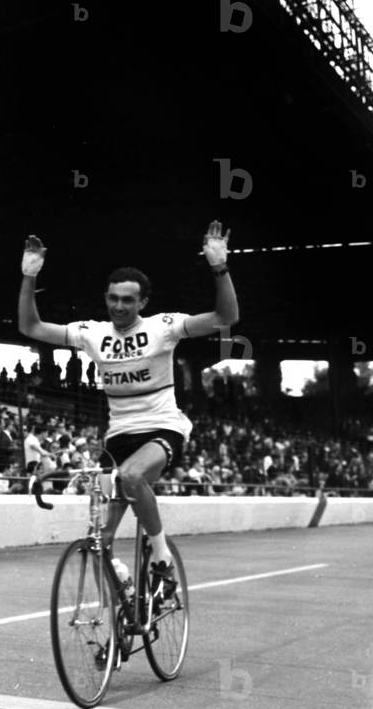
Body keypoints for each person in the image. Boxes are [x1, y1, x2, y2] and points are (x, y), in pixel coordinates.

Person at [18, 220, 239, 598]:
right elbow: (31, 327)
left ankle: (162, 558)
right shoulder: (93, 333)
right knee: (99, 538)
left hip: (160, 429)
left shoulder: (163, 327)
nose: (119, 306)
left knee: (133, 477)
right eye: (113, 298)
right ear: (106, 298)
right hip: (118, 438)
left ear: (143, 303)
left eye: (127, 300)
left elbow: (225, 318)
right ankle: (127, 601)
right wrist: (28, 276)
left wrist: (220, 269)